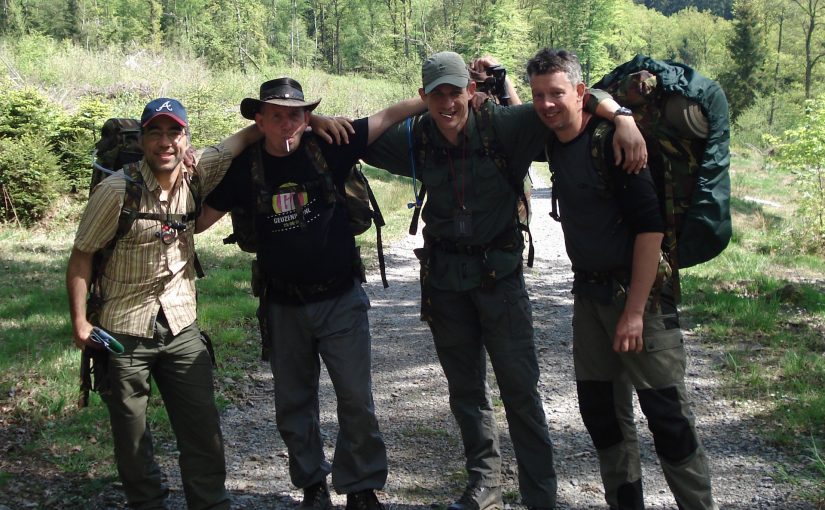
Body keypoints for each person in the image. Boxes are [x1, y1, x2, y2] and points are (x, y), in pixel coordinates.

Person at [362, 51, 647, 510]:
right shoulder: (416, 138)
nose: (447, 104)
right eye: (437, 95)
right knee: (466, 392)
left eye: (455, 92)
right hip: (445, 283)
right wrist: (416, 108)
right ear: (424, 98)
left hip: (501, 283)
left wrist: (624, 117)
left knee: (520, 391)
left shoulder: (507, 125)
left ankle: (540, 496)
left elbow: (573, 98)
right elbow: (358, 135)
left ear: (471, 92)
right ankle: (484, 485)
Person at [65, 96, 348, 509]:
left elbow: (253, 131)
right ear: (143, 140)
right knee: (132, 435)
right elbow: (82, 254)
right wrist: (79, 323)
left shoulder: (200, 172)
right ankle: (148, 503)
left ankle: (210, 503)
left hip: (181, 326)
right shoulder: (116, 191)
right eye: (155, 133)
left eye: (174, 132)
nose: (165, 142)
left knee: (202, 430)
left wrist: (309, 120)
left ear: (186, 138)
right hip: (123, 328)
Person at [196, 77, 426, 510]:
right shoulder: (245, 168)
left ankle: (361, 487)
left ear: (307, 116)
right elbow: (200, 220)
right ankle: (312, 486)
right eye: (276, 115)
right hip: (283, 305)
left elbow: (389, 116)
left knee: (356, 398)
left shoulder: (331, 146)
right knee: (293, 405)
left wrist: (428, 96)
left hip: (341, 298)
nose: (286, 124)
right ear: (260, 119)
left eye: (296, 114)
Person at [526, 48, 718, 510]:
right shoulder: (554, 139)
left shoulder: (614, 143)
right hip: (589, 298)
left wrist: (633, 313)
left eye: (557, 93)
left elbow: (650, 229)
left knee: (666, 417)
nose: (547, 103)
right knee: (603, 417)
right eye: (539, 95)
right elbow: (513, 111)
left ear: (579, 92)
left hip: (641, 301)